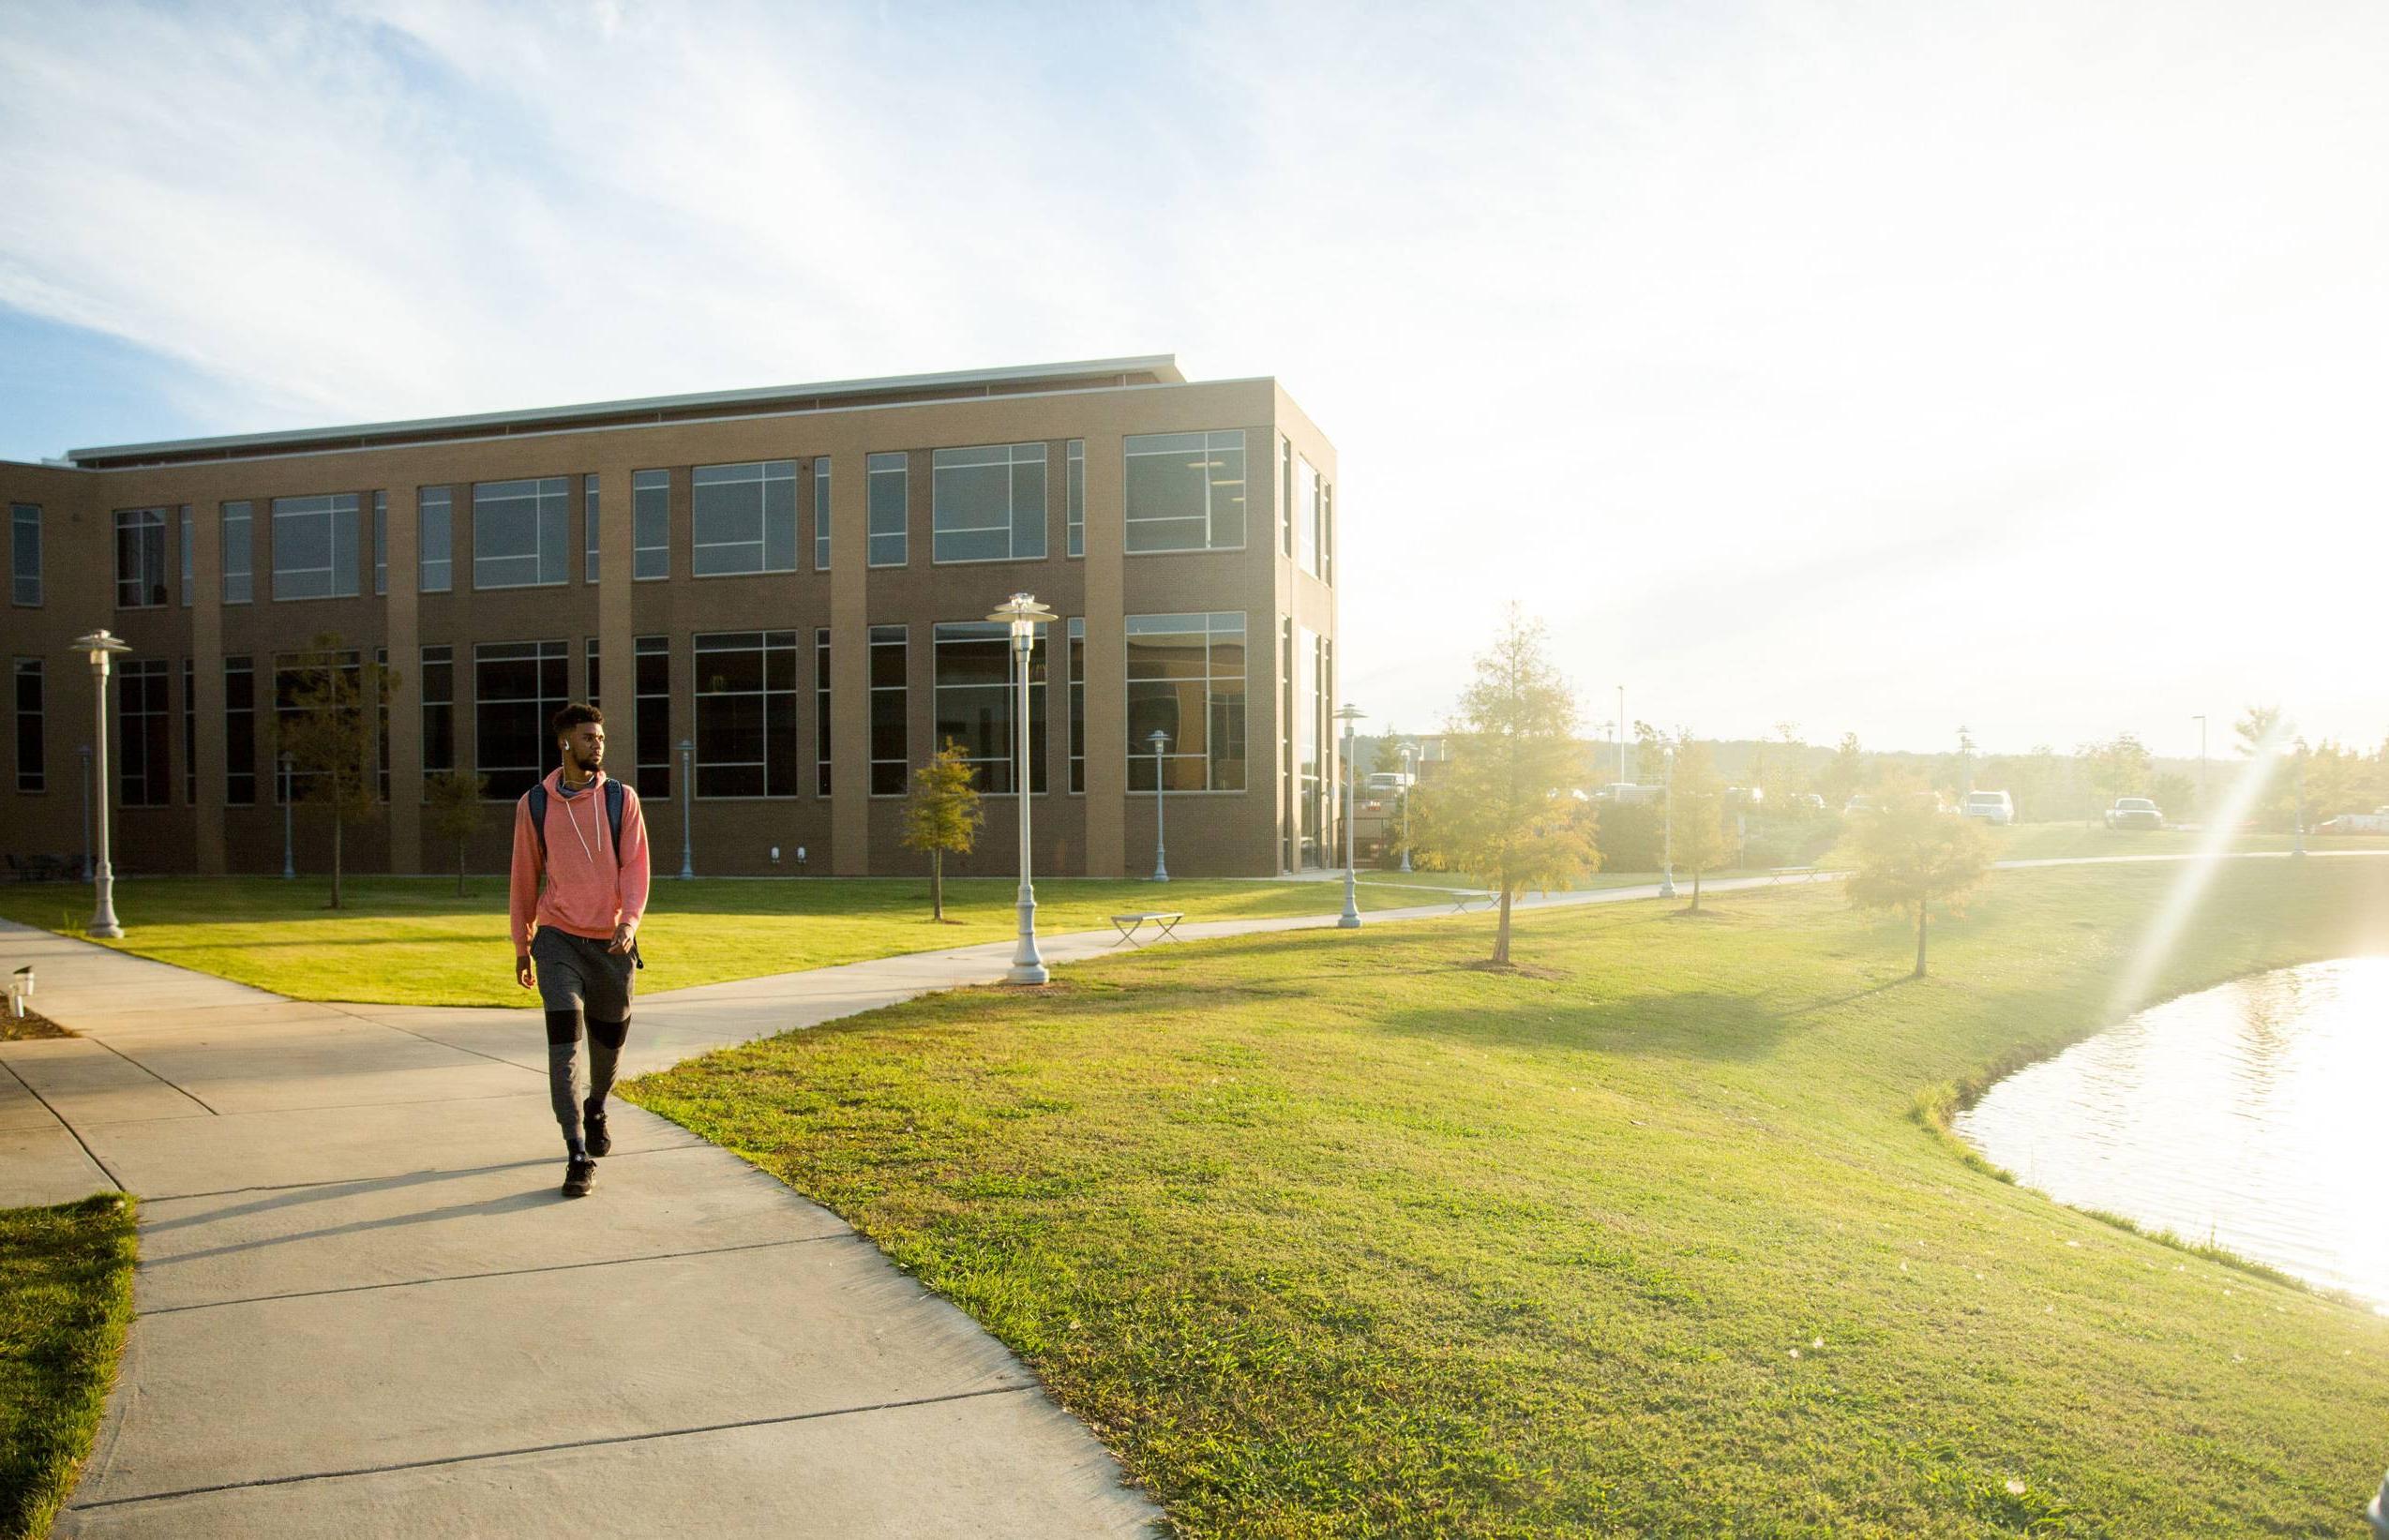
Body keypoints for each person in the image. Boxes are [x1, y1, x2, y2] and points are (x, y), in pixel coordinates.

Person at [510, 702, 651, 1198]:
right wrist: (522, 943)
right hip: (557, 940)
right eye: (589, 737)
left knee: (608, 1047)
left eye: (601, 738)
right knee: (563, 1043)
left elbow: (635, 869)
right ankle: (575, 1151)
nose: (598, 744)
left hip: (612, 944)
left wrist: (629, 923)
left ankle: (596, 1106)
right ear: (565, 742)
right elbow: (524, 875)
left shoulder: (621, 800)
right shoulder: (535, 804)